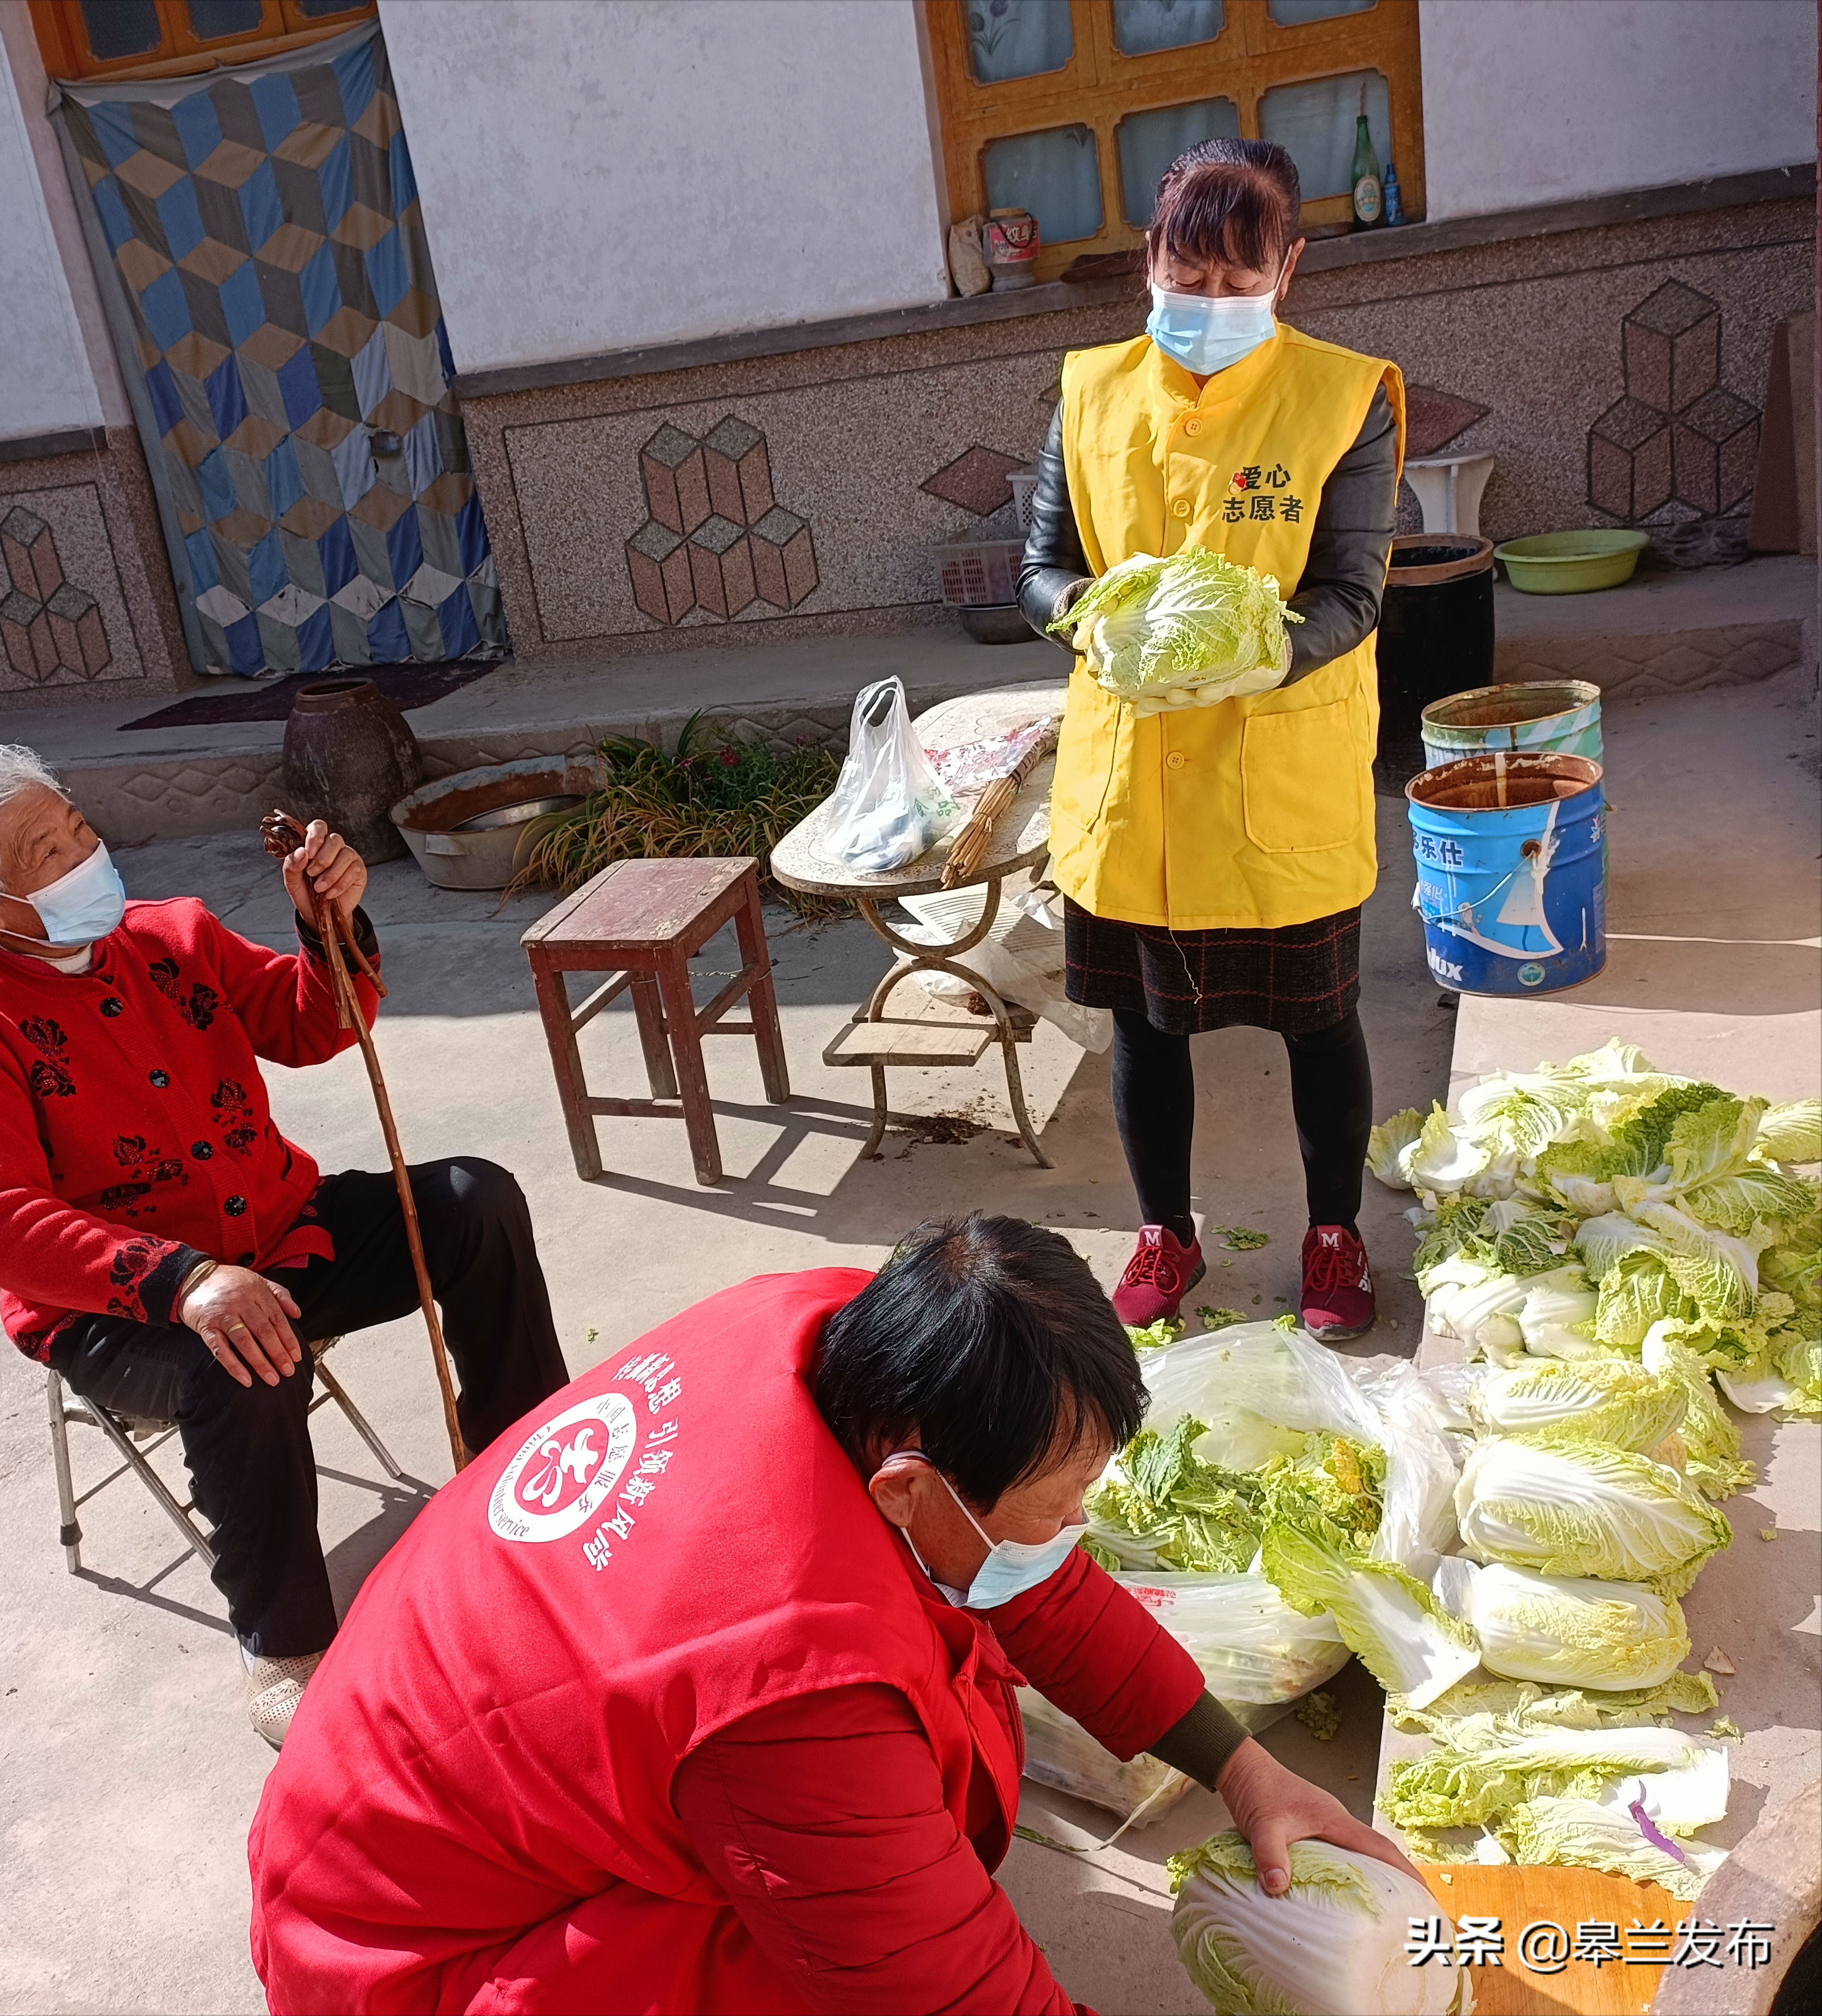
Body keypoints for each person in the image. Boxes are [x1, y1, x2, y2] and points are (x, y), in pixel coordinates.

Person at [248, 1213, 1419, 2013]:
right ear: (907, 1486)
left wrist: (1247, 1772)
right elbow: (955, 1995)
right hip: (402, 1953)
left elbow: (1049, 1590)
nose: (1070, 1542)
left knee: (942, 1739)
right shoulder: (790, 1686)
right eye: (1053, 1510)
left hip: (424, 1779)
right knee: (825, 1965)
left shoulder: (843, 1336)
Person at [0, 741, 567, 1745]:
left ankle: (529, 1463)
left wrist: (325, 921)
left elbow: (314, 1026)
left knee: (474, 1200)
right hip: (122, 1307)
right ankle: (285, 1640)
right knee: (238, 1361)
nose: (85, 854)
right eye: (46, 850)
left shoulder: (176, 936)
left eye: (77, 827)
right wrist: (184, 1281)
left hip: (280, 1232)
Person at [1019, 137, 1405, 1344]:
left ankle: (1333, 1233)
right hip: (1134, 779)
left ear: (1289, 269)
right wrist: (1092, 628)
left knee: (1320, 1020)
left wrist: (1265, 654)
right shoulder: (1088, 393)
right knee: (1145, 1025)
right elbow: (1040, 569)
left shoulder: (1344, 397)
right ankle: (1165, 1232)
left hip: (1276, 768)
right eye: (1191, 282)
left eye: (1241, 286)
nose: (1212, 307)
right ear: (1150, 263)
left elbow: (1356, 586)